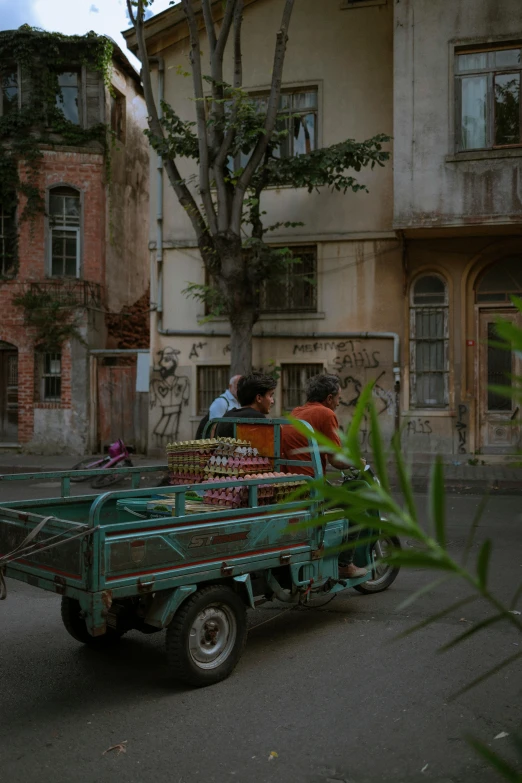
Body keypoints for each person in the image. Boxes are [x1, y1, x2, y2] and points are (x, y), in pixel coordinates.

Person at [281, 373, 367, 579]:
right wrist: (358, 462)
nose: (339, 402)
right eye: (338, 397)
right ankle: (345, 564)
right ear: (329, 398)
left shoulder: (297, 412)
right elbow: (337, 460)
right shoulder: (326, 414)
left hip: (292, 482)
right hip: (310, 487)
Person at [216, 373, 276, 438]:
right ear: (259, 398)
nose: (272, 401)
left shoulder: (227, 415)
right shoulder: (257, 418)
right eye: (270, 395)